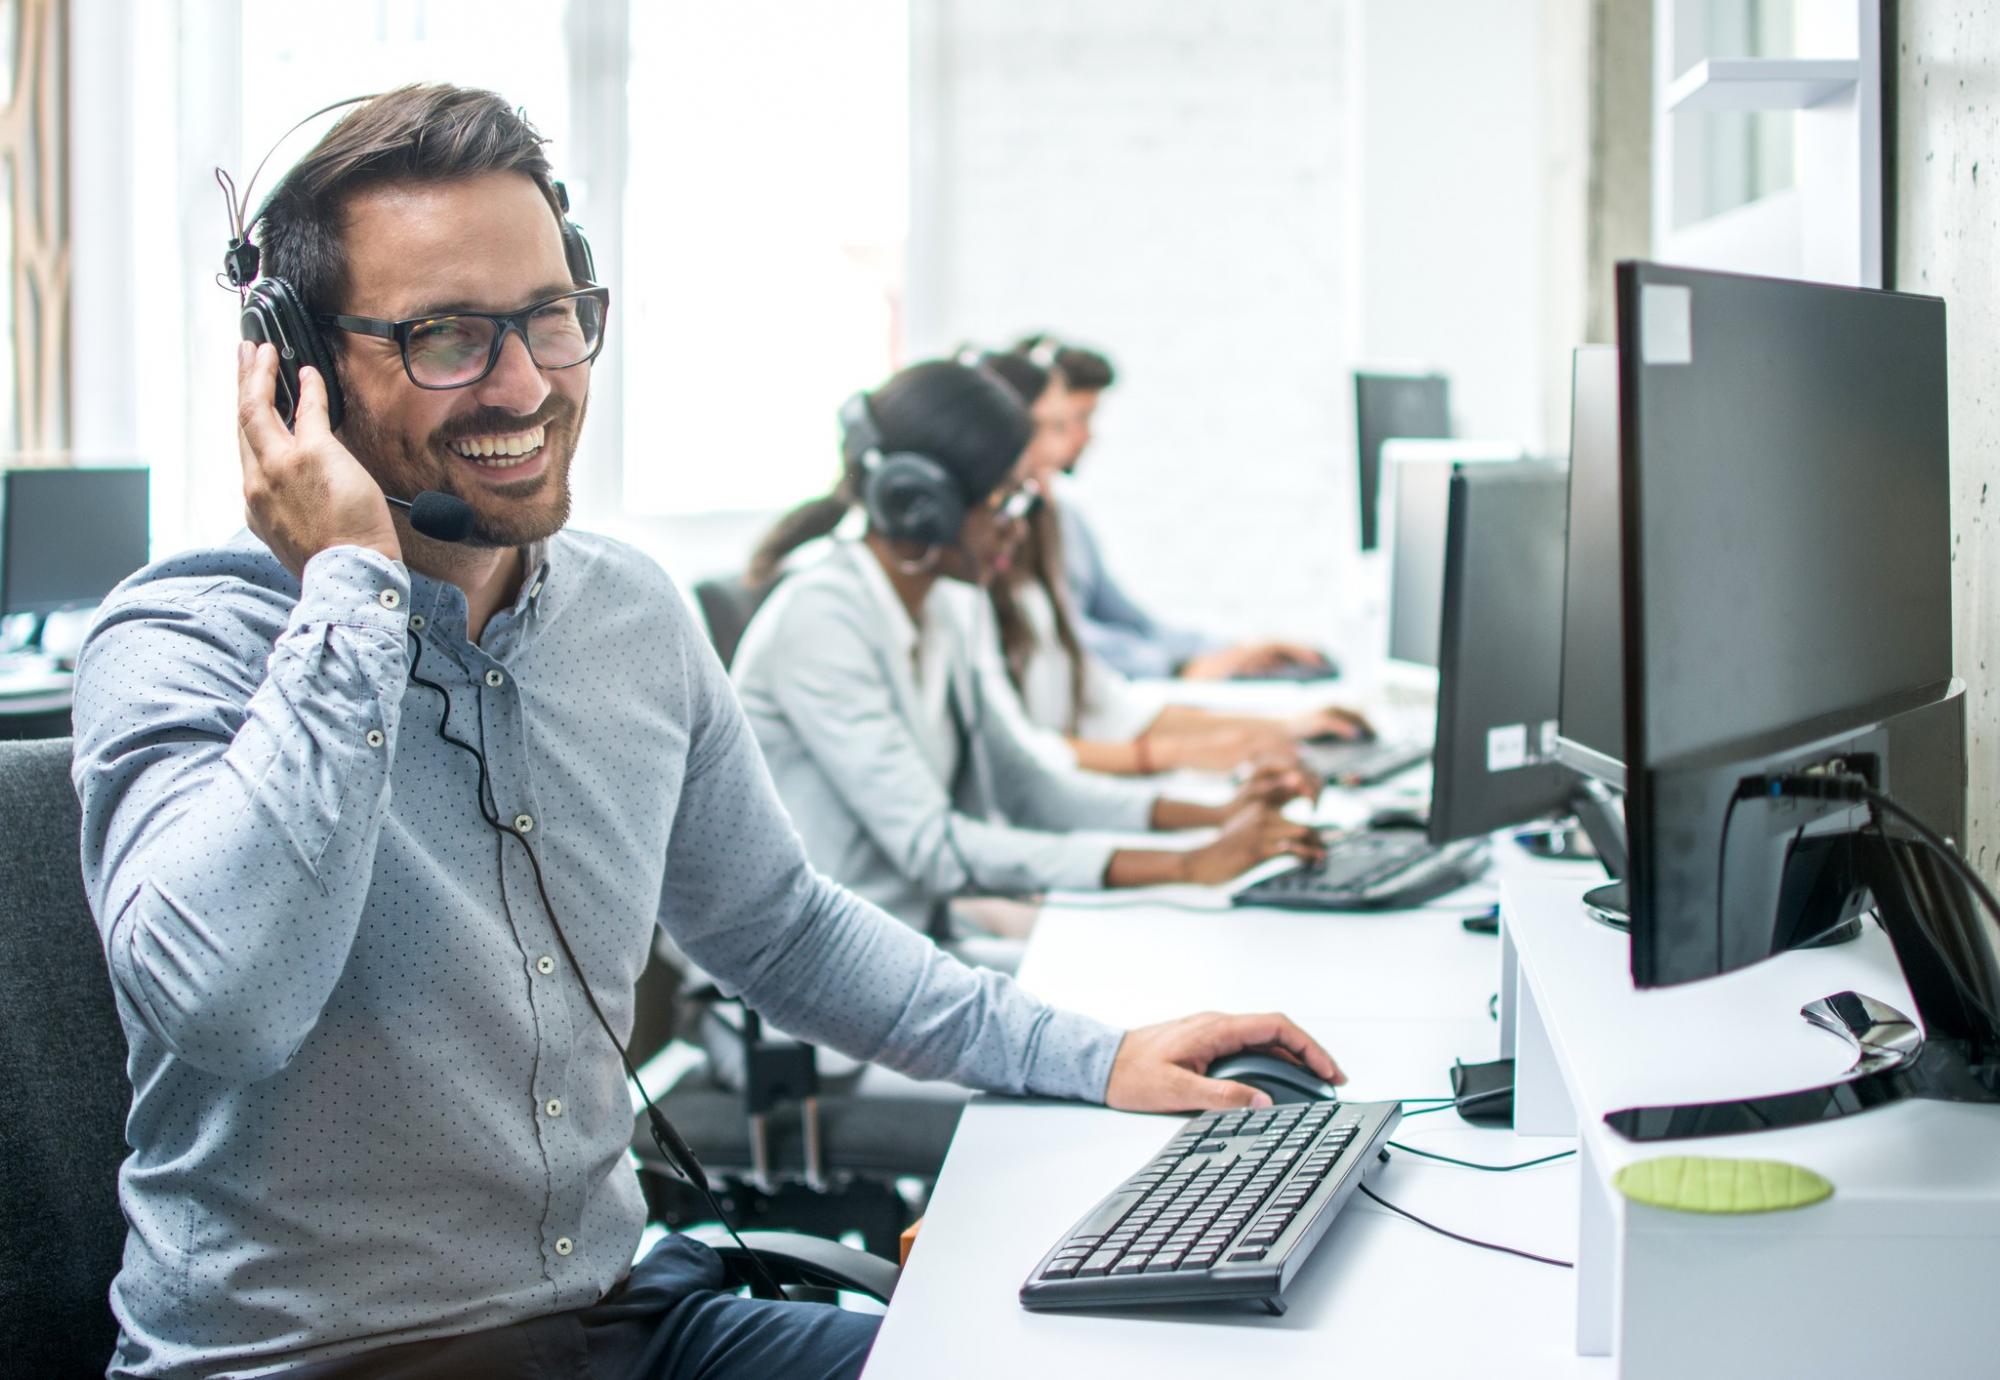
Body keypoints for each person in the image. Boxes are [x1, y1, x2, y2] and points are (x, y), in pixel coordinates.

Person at [69, 86, 1346, 1380]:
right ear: (296, 370)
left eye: (551, 319)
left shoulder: (627, 614)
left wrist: (1098, 1053)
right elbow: (225, 1003)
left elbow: (780, 927)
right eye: (447, 336)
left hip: (626, 1324)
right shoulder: (183, 643)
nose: (524, 383)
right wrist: (349, 591)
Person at [733, 359, 1324, 944]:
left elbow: (1029, 787)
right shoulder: (821, 620)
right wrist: (1187, 866)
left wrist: (1217, 819)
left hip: (904, 945)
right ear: (924, 505)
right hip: (808, 975)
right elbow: (932, 848)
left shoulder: (949, 602)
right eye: (1007, 500)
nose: (1021, 527)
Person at [975, 348, 1367, 778]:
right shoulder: (977, 583)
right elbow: (1025, 755)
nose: (1073, 441)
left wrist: (1274, 718)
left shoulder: (1054, 526)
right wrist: (1185, 711)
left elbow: (1114, 684)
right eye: (1055, 427)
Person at [1015, 332, 1336, 682]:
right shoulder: (1003, 532)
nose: (1084, 436)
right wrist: (1176, 667)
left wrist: (1234, 652)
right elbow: (1060, 641)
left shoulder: (1067, 521)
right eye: (1071, 422)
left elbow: (1133, 623)